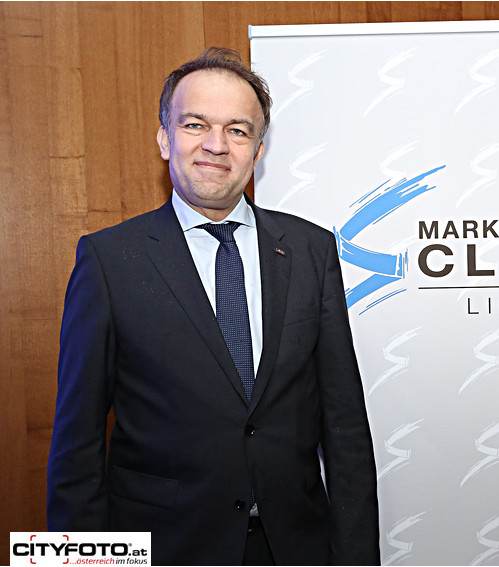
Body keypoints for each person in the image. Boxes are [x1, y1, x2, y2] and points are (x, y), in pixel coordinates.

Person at [47, 47, 380, 566]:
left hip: (294, 547)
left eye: (237, 130)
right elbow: (77, 444)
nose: (216, 145)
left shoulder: (311, 250)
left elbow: (346, 428)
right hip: (166, 548)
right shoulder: (109, 260)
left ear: (258, 150)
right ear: (165, 138)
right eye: (195, 124)